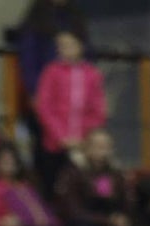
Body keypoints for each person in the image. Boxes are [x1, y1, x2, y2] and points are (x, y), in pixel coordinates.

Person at [33, 31, 106, 198]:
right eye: (61, 46)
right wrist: (62, 137)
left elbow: (98, 111)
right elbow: (45, 107)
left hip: (84, 145)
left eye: (70, 44)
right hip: (55, 144)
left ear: (80, 46)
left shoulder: (92, 74)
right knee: (54, 189)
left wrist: (84, 139)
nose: (65, 49)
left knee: (85, 190)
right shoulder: (51, 72)